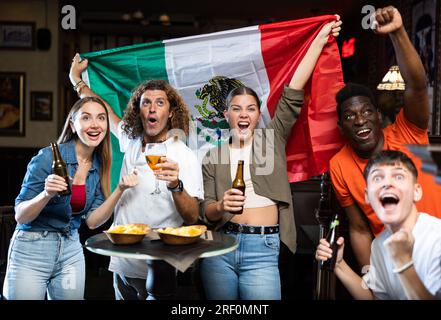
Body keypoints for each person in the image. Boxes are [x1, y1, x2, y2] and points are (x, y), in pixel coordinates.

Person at [199, 17, 342, 300]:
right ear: (226, 115)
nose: (243, 114)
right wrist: (220, 205)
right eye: (236, 109)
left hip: (263, 248)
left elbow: (293, 92)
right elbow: (205, 212)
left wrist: (320, 37)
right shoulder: (212, 156)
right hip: (220, 245)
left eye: (250, 109)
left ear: (257, 115)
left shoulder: (271, 140)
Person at [69, 58, 204, 300]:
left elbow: (193, 216)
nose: (152, 108)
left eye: (160, 103)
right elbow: (105, 111)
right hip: (121, 263)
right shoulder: (130, 141)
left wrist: (176, 185)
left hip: (159, 267)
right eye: (146, 103)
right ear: (138, 110)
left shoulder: (185, 156)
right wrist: (77, 81)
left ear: (171, 112)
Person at [329, 6, 441, 270]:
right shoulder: (339, 165)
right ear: (341, 126)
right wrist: (371, 278)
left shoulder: (407, 132)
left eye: (366, 111)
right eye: (349, 116)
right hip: (396, 262)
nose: (359, 120)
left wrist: (398, 33)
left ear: (378, 116)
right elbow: (358, 228)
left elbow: (416, 85)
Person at [2, 97, 139, 300]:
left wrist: (119, 190)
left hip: (70, 249)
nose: (94, 124)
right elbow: (21, 216)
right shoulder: (47, 158)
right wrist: (46, 194)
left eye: (101, 118)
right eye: (86, 118)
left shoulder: (100, 164)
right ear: (73, 125)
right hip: (32, 248)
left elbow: (93, 221)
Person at [316, 150, 441, 299]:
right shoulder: (378, 245)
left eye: (398, 177)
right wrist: (338, 264)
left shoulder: (437, 237)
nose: (387, 184)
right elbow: (374, 297)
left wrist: (404, 264)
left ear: (416, 192)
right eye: (377, 178)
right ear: (368, 197)